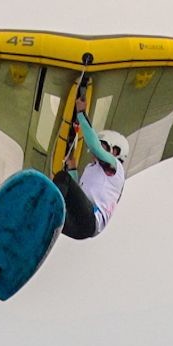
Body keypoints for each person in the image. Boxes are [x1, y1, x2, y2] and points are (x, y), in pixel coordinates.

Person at [52, 93, 126, 239]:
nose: (94, 153)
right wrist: (73, 168)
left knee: (62, 178)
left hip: (90, 220)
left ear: (115, 150)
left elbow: (94, 147)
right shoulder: (92, 169)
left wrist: (80, 113)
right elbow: (78, 193)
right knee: (53, 221)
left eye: (103, 145)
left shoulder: (116, 168)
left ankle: (48, 202)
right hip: (81, 229)